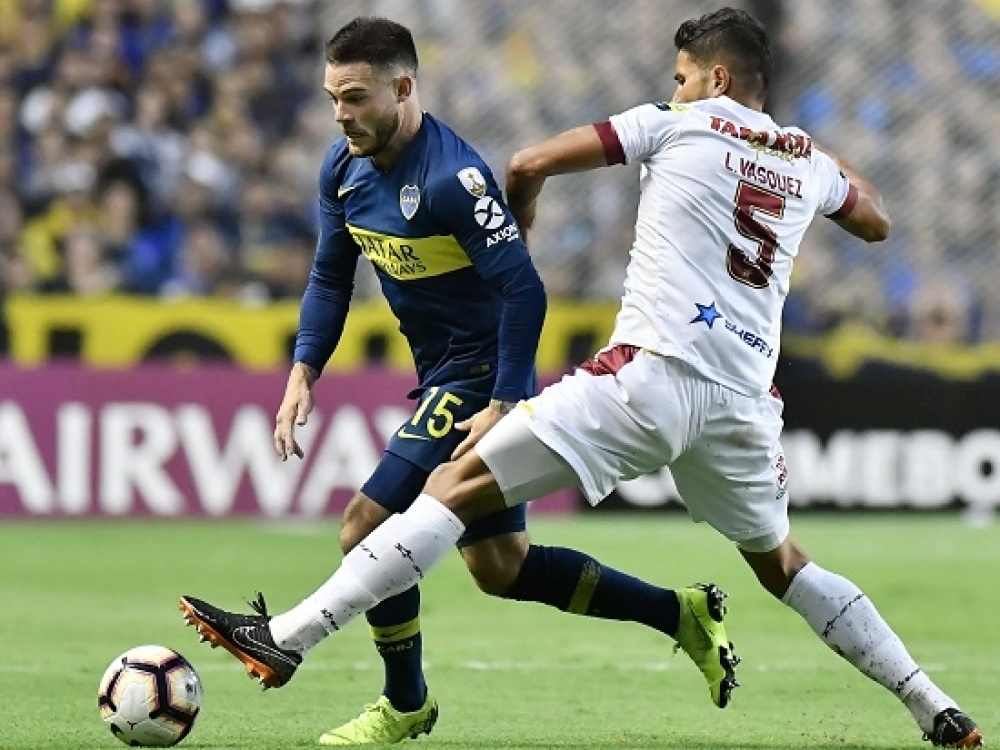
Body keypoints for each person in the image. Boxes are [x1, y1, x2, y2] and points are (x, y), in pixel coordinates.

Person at [180, 16, 740, 746]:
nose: (341, 115)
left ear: (402, 88)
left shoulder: (453, 179)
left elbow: (524, 290)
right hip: (442, 372)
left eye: (355, 97)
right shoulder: (342, 170)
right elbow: (329, 276)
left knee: (364, 525)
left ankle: (402, 702)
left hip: (479, 374)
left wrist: (504, 399)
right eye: (332, 98)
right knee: (502, 568)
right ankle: (680, 613)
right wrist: (302, 372)